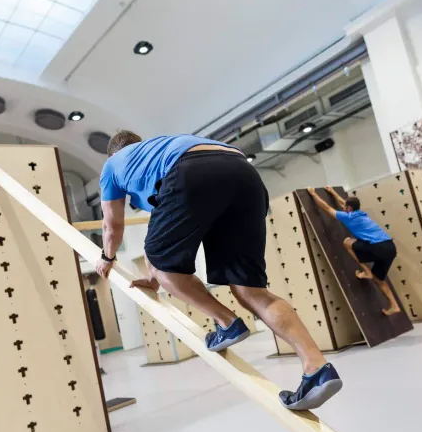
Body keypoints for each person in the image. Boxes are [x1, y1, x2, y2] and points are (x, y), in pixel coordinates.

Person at [95, 131, 342, 410]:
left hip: (190, 172)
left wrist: (107, 257)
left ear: (113, 154)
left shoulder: (113, 165)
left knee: (163, 264)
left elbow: (111, 226)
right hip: (243, 173)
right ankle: (317, 368)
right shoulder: (159, 147)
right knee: (251, 291)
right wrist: (154, 276)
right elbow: (168, 225)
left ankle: (226, 323)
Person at [307, 186, 401, 316]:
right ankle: (394, 305)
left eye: (345, 206)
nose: (343, 206)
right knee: (379, 279)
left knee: (347, 242)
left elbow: (327, 207)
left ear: (349, 209)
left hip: (378, 247)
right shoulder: (360, 214)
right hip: (390, 248)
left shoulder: (348, 217)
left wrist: (313, 194)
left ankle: (367, 271)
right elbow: (342, 203)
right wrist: (332, 192)